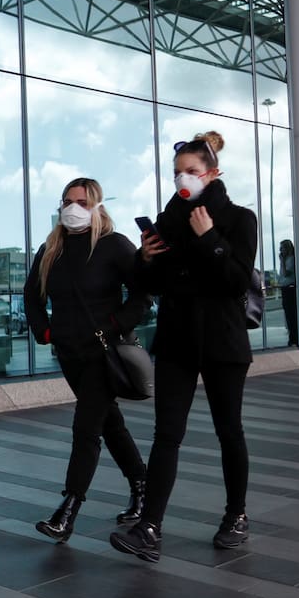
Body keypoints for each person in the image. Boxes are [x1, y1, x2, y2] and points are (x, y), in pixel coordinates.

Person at [110, 131, 257, 563]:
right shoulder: (168, 220)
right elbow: (151, 286)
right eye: (177, 174)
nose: (182, 181)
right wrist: (147, 258)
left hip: (224, 341)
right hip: (176, 340)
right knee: (167, 435)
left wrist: (210, 237)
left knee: (229, 430)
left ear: (212, 173)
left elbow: (235, 281)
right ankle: (148, 528)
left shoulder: (240, 219)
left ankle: (237, 515)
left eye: (191, 172)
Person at [24, 177, 151, 543]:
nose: (72, 208)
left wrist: (114, 327)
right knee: (108, 423)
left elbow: (142, 296)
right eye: (67, 201)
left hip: (102, 354)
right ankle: (141, 485)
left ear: (97, 206)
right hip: (68, 354)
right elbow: (31, 296)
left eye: (81, 201)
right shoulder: (52, 248)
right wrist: (45, 332)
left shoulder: (114, 245)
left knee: (86, 428)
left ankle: (68, 509)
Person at [278, 239, 298, 346]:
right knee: (288, 315)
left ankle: (293, 338)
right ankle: (292, 337)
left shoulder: (290, 260)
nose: (280, 251)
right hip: (285, 288)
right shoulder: (286, 260)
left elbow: (286, 274)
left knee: (291, 315)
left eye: (282, 248)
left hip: (290, 289)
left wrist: (281, 261)